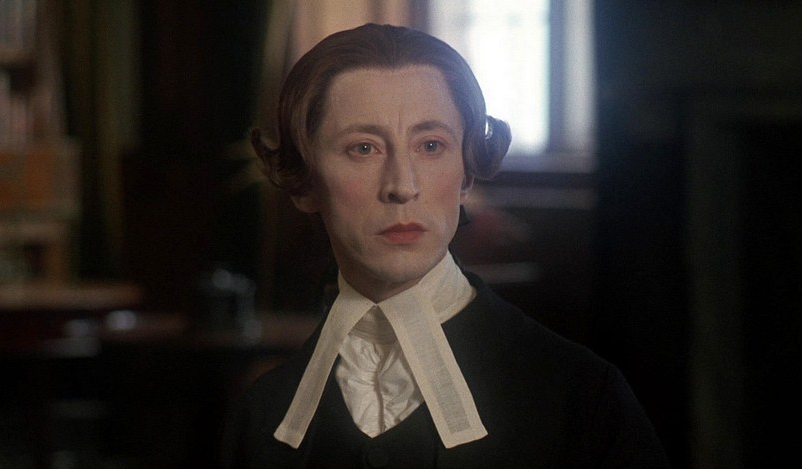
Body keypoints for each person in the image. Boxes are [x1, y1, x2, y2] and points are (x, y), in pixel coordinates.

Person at [224, 23, 669, 468]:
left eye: (431, 145)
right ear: (305, 183)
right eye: (363, 148)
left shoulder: (582, 398)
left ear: (466, 175)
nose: (403, 186)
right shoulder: (262, 416)